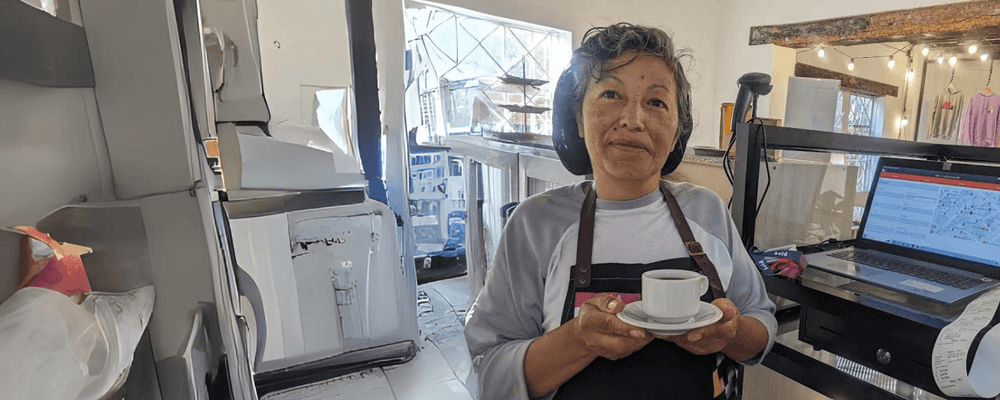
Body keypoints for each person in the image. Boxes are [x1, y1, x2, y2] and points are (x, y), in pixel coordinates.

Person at [463, 23, 777, 400]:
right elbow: (491, 372)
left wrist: (731, 332)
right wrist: (580, 339)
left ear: (679, 129)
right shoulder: (536, 223)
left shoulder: (706, 210)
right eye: (611, 93)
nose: (633, 120)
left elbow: (760, 325)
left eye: (656, 102)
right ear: (578, 119)